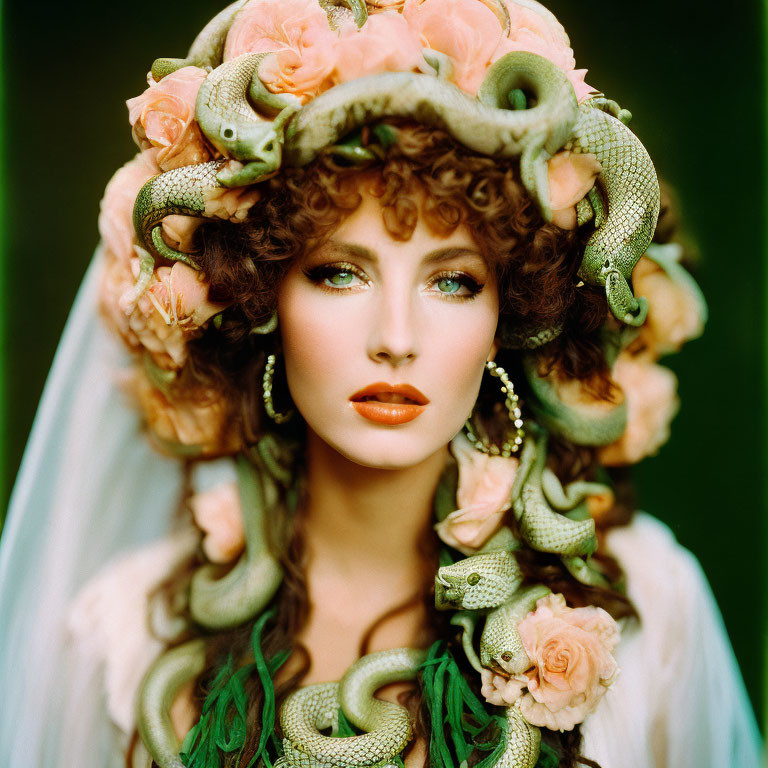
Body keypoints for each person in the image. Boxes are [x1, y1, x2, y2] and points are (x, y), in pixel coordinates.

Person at [0, 1, 761, 767]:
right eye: (338, 273)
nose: (395, 340)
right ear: (261, 299)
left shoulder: (650, 617)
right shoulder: (124, 638)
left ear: (511, 311)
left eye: (453, 282)